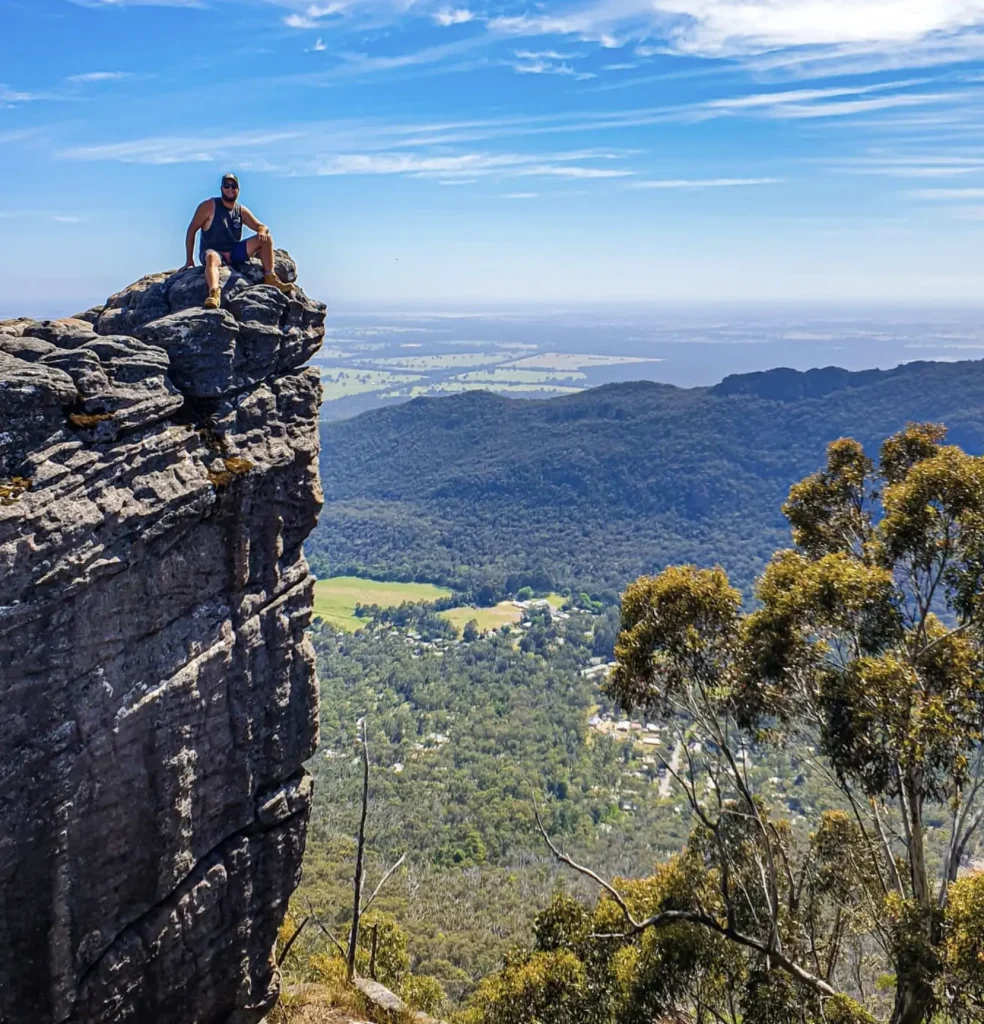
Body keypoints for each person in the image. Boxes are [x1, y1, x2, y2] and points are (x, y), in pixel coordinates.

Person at [183, 173, 293, 309]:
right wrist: (189, 260)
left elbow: (261, 226)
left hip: (234, 252)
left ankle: (270, 277)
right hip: (213, 251)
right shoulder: (209, 206)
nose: (230, 189)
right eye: (226, 186)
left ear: (238, 190)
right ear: (221, 188)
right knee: (212, 258)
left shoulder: (240, 211)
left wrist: (262, 231)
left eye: (233, 186)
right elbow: (192, 229)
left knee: (266, 239)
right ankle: (214, 293)